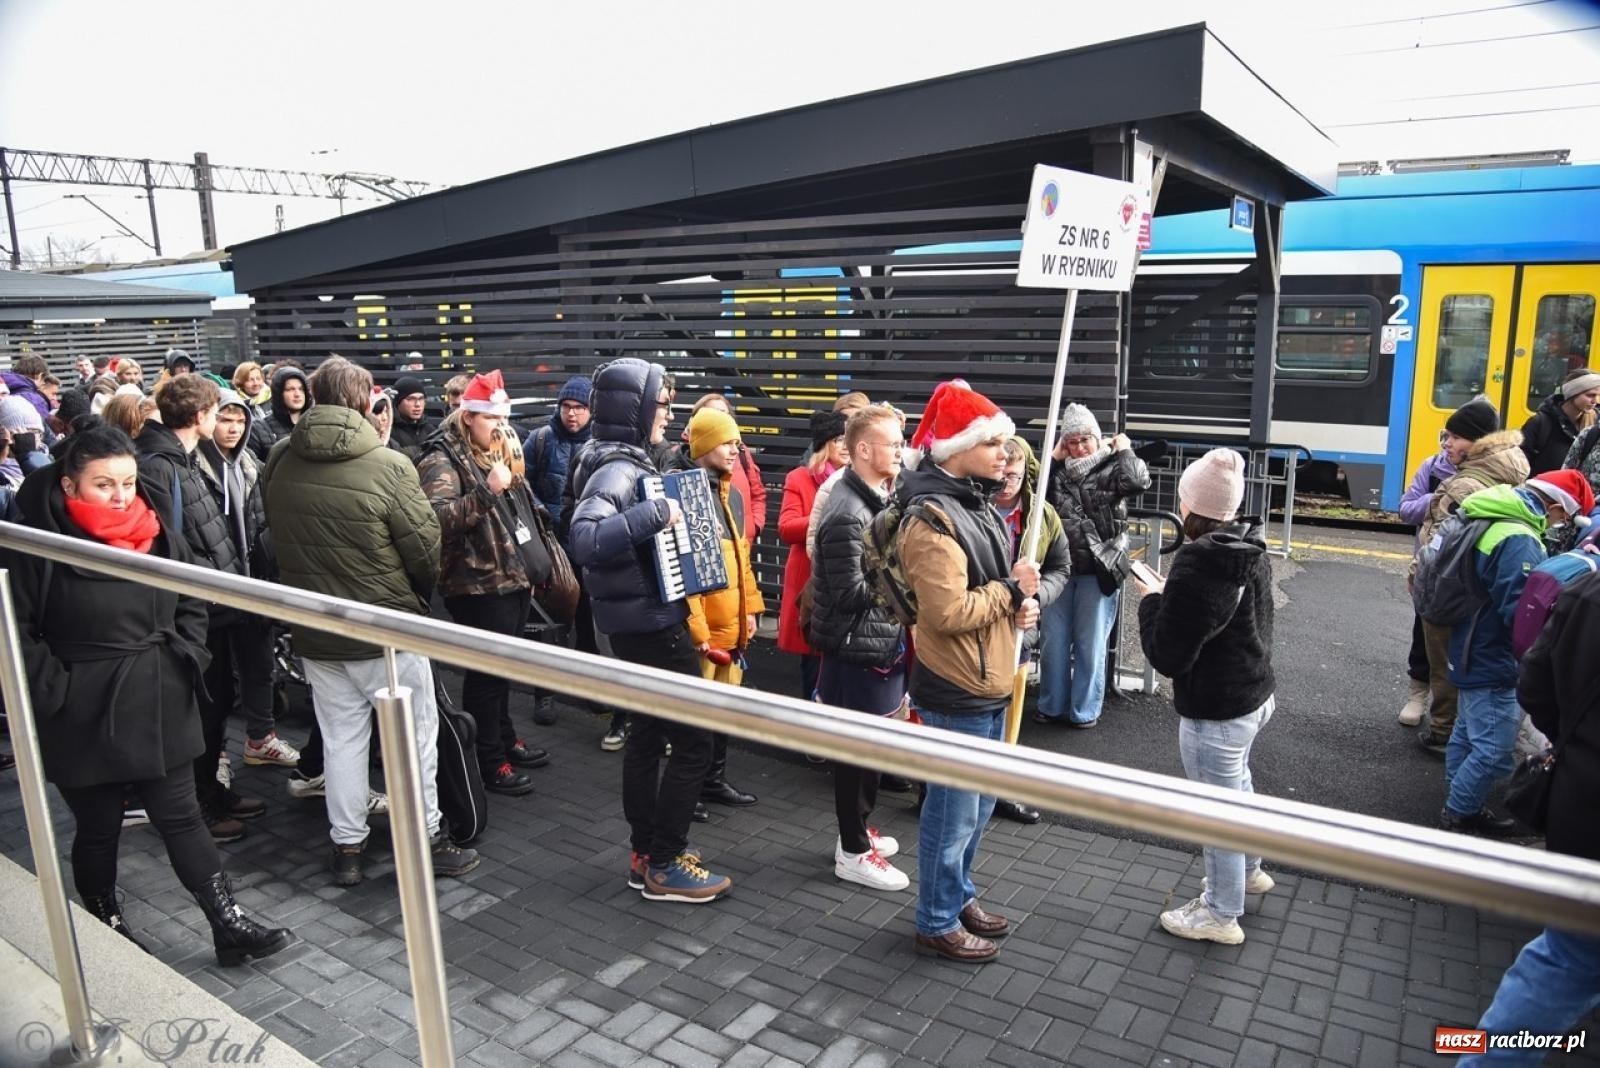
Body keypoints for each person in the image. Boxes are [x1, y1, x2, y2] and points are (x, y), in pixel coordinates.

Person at [7, 425, 292, 965]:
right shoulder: (34, 541)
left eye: (127, 482)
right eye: (103, 485)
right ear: (69, 486)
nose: (120, 496)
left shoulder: (156, 526)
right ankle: (104, 920)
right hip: (82, 708)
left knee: (181, 814)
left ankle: (226, 923)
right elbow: (16, 631)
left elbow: (186, 593)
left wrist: (187, 654)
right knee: (98, 825)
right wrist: (58, 692)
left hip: (160, 691)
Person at [262, 356, 480, 886]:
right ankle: (427, 837)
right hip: (388, 630)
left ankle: (348, 848)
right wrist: (412, 597)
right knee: (414, 739)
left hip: (316, 627)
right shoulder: (388, 465)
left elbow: (270, 528)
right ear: (365, 403)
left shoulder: (278, 456)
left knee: (341, 741)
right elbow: (425, 547)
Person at [569, 357, 732, 903]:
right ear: (634, 408)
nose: (667, 414)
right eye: (661, 404)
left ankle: (648, 853)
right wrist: (656, 515)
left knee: (646, 737)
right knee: (693, 741)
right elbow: (586, 540)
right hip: (650, 628)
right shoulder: (616, 469)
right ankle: (664, 861)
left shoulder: (619, 461)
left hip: (640, 621)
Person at [897, 380, 1046, 963]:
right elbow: (948, 611)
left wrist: (1021, 602)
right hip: (955, 686)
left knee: (976, 807)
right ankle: (935, 918)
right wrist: (1012, 593)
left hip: (985, 681)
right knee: (953, 810)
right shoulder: (933, 519)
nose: (1006, 455)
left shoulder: (972, 506)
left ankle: (955, 897)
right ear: (957, 449)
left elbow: (996, 593)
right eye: (995, 444)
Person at [1135, 448, 1276, 945]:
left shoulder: (1199, 567)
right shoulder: (1247, 545)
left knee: (1216, 811)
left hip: (1215, 709)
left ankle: (1221, 911)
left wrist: (1153, 600)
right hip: (1253, 693)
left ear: (1191, 506)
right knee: (1239, 788)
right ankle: (1250, 868)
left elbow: (1169, 656)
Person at [1458, 572, 1600, 1064]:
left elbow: (1536, 685)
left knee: (1564, 959)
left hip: (1584, 812)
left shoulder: (1589, 592)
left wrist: (1576, 746)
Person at [135, 374, 267, 843]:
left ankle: (211, 790)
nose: (222, 421)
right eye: (216, 412)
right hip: (196, 611)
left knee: (216, 706)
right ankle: (200, 805)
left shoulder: (180, 459)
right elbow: (169, 546)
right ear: (199, 416)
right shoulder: (161, 466)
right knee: (203, 711)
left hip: (214, 605)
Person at [418, 369, 554, 799]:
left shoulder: (494, 450)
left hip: (510, 579)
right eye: (492, 419)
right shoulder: (440, 459)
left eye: (503, 419)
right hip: (476, 587)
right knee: (486, 677)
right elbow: (436, 521)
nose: (501, 427)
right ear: (468, 417)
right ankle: (489, 761)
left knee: (504, 672)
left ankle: (505, 739)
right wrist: (488, 492)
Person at [1440, 472, 1591, 835]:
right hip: (1492, 653)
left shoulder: (1492, 515)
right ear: (1555, 507)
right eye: (1564, 517)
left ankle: (1458, 795)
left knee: (1467, 731)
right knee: (1493, 750)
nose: (1561, 525)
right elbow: (1519, 611)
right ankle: (1460, 812)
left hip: (1467, 642)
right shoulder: (1520, 538)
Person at [808, 404, 912, 890]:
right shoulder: (847, 513)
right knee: (857, 753)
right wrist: (904, 577)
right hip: (856, 651)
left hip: (876, 644)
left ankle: (857, 832)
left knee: (871, 750)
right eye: (894, 443)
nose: (901, 450)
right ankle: (852, 850)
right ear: (864, 450)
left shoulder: (875, 495)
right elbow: (848, 593)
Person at [1413, 410, 1528, 755]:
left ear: (1475, 441)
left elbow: (1437, 545)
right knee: (1475, 660)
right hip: (1484, 587)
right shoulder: (1512, 468)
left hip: (1452, 588)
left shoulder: (1465, 484)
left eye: (1454, 437)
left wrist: (1417, 579)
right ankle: (1468, 729)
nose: (1446, 444)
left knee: (1445, 661)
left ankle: (1442, 731)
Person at [197, 389, 298, 770]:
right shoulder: (193, 468)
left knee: (260, 667)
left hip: (254, 582)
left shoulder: (251, 465)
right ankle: (216, 751)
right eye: (226, 419)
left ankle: (261, 738)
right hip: (216, 589)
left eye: (240, 421)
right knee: (217, 679)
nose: (234, 428)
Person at [1039, 404, 1151, 728]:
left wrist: (1126, 449)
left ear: (1097, 437)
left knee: (1090, 645)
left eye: (1085, 439)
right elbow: (1034, 494)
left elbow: (1138, 481)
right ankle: (1051, 706)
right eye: (1071, 441)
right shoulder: (1057, 472)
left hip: (1097, 570)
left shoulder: (1112, 467)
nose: (1078, 447)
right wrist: (1053, 457)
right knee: (1053, 643)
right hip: (1058, 570)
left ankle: (1084, 710)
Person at [682, 406, 764, 811]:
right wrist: (697, 632)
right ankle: (691, 789)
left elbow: (742, 558)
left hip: (730, 625)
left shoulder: (731, 494)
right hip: (707, 632)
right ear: (706, 444)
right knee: (695, 717)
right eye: (728, 442)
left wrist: (751, 610)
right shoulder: (684, 494)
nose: (736, 449)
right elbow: (683, 574)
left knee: (722, 711)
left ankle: (712, 781)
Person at [991, 435, 1072, 824]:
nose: (1007, 478)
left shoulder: (1043, 516)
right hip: (973, 632)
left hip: (1019, 634)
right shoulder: (971, 507)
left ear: (1027, 472)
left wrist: (1037, 599)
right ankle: (940, 786)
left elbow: (1061, 567)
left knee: (1011, 714)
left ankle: (1000, 789)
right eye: (1001, 470)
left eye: (1015, 472)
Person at [1396, 397, 1491, 726]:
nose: (1446, 443)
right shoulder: (1433, 467)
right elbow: (1406, 509)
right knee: (1423, 636)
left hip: (1468, 577)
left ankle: (1449, 713)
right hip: (1431, 573)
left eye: (1453, 436)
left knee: (1465, 642)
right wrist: (1440, 498)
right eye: (1445, 435)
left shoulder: (1491, 475)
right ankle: (1417, 695)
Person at [778, 410, 848, 701]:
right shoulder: (800, 478)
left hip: (842, 585)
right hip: (810, 583)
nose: (846, 445)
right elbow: (786, 528)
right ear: (825, 444)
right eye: (838, 439)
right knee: (813, 668)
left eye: (849, 439)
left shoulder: (857, 480)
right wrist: (826, 516)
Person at [682, 392, 766, 542]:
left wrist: (754, 525)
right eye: (714, 413)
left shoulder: (741, 452)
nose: (733, 450)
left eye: (724, 414)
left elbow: (757, 492)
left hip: (743, 541)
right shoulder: (682, 458)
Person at [1520, 368, 1600, 476]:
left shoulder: (1595, 423)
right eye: (1590, 395)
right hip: (1542, 488)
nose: (1595, 401)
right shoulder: (1541, 422)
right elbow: (1521, 461)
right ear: (1572, 393)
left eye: (1598, 396)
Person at [250, 364, 310, 461]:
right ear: (279, 393)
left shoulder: (314, 425)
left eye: (301, 389)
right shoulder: (258, 429)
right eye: (290, 389)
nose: (297, 394)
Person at [389, 375, 436, 462]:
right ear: (398, 402)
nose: (417, 404)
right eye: (410, 399)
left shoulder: (430, 430)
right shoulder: (388, 431)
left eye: (421, 399)